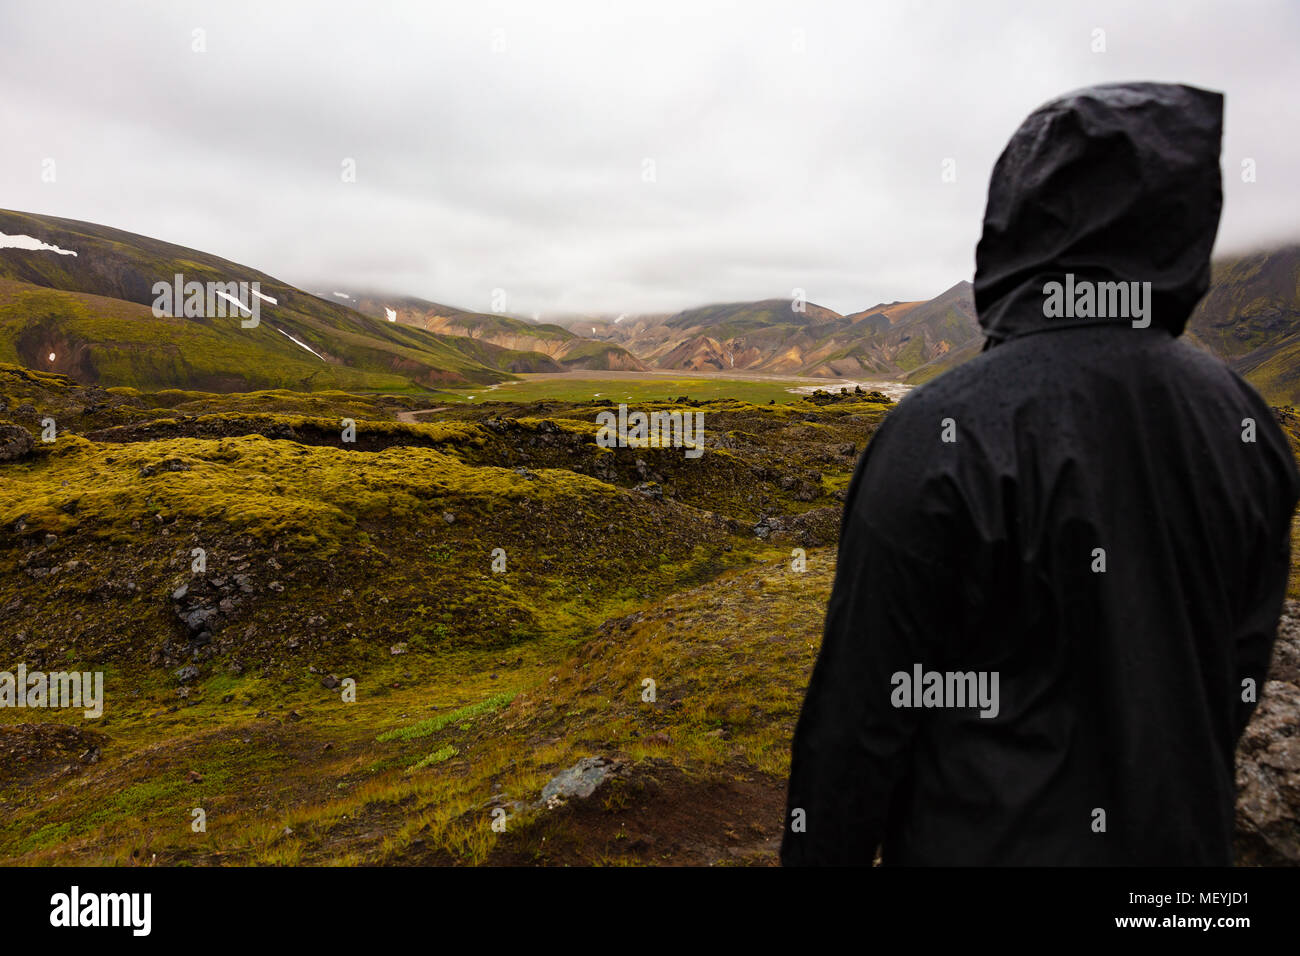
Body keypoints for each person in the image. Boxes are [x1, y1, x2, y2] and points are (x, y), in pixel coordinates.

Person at [781, 82, 1300, 866]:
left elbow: (860, 720)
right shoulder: (1246, 423)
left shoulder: (935, 431)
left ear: (1013, 222)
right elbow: (1234, 675)